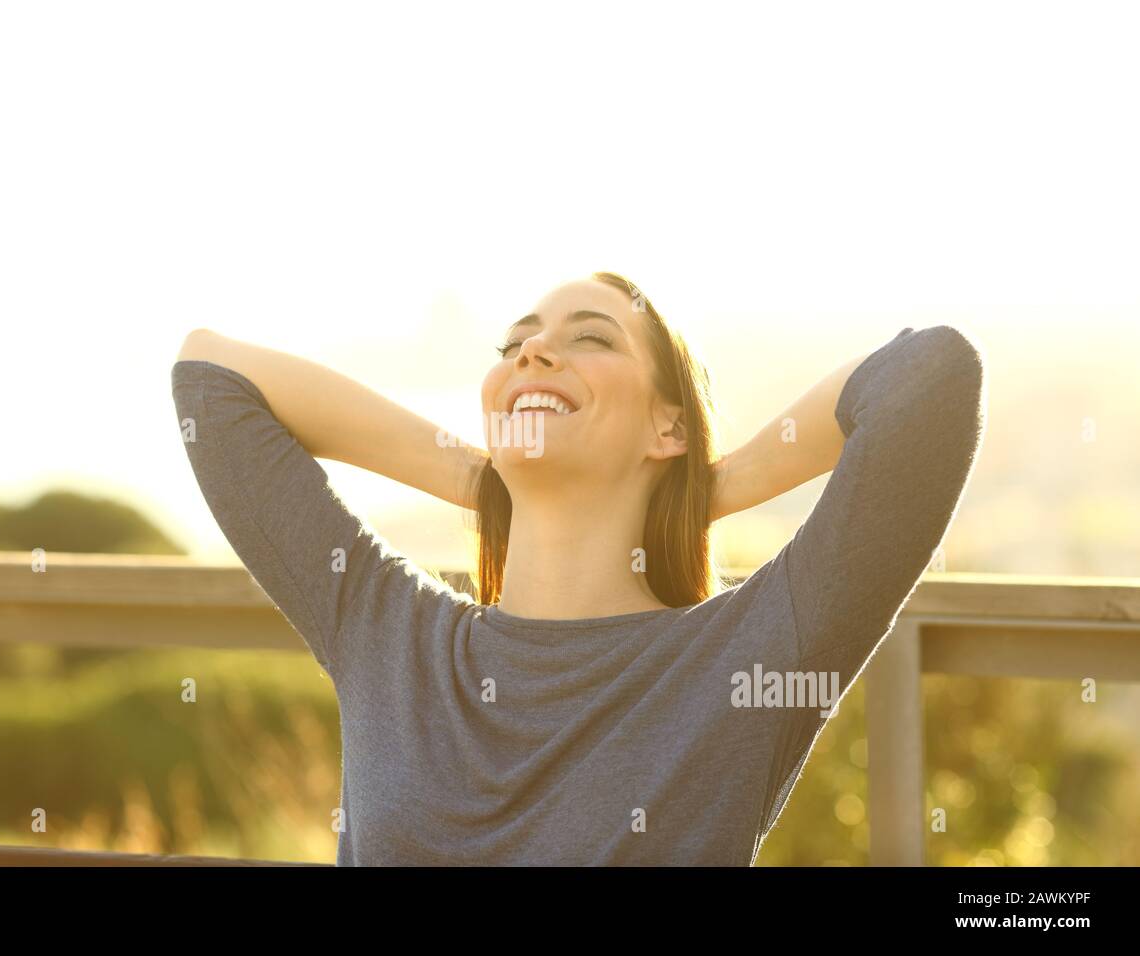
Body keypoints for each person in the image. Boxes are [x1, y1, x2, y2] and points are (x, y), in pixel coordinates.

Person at [170, 271, 986, 865]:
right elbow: (212, 377)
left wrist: (703, 483)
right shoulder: (387, 632)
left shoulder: (746, 658)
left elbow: (930, 377)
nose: (534, 355)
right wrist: (483, 473)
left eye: (589, 338)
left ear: (668, 427)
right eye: (515, 345)